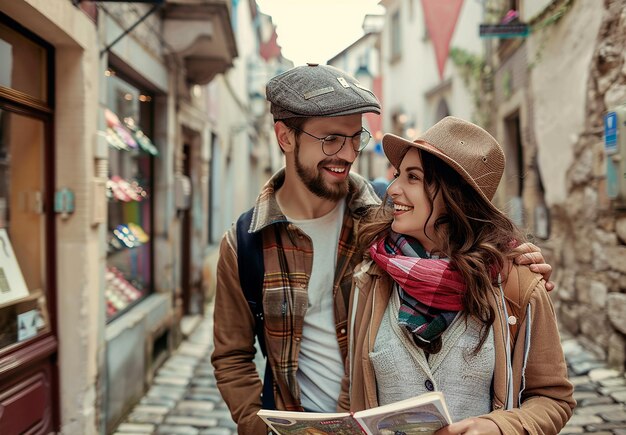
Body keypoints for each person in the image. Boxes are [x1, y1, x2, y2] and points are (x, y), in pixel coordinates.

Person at [211, 65, 554, 435]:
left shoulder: (385, 218)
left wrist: (512, 260)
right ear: (285, 137)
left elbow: (463, 231)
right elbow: (232, 357)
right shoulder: (245, 241)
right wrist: (258, 427)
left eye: (354, 137)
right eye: (330, 139)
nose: (346, 153)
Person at [338, 117, 575, 434]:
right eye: (397, 175)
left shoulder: (517, 283)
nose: (392, 189)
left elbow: (552, 397)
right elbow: (352, 391)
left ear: (453, 195)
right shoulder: (370, 278)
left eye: (413, 178)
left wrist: (498, 428)